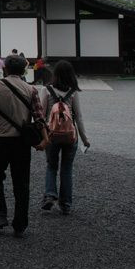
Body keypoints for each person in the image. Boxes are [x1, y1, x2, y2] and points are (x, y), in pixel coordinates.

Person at [0, 54, 49, 237]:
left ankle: (0, 216)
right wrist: (44, 139)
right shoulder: (30, 89)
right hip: (21, 141)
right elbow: (39, 117)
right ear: (23, 70)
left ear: (6, 69)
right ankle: (20, 223)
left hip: (0, 138)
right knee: (21, 182)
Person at [38, 61, 91, 214]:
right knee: (67, 169)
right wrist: (84, 139)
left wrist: (40, 136)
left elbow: (42, 115)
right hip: (70, 135)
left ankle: (49, 194)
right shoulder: (73, 92)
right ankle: (66, 203)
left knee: (51, 166)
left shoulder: (46, 90)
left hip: (51, 134)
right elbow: (78, 117)